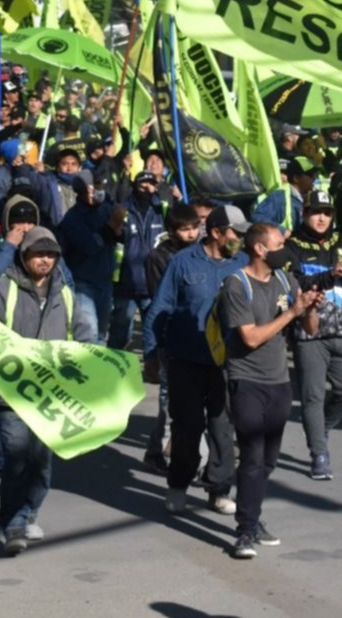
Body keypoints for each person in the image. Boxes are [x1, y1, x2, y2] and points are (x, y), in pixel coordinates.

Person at [0, 226, 94, 553]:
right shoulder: (4, 288)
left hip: (52, 394)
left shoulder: (65, 293)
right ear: (24, 255)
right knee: (16, 454)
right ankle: (13, 523)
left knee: (41, 461)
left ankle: (29, 511)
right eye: (38, 254)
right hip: (12, 389)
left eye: (51, 255)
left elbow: (84, 335)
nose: (45, 260)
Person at [219, 222, 323, 558]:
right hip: (246, 379)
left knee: (268, 460)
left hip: (278, 381)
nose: (285, 249)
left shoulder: (285, 279)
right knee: (251, 455)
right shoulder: (237, 285)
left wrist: (309, 308)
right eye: (279, 243)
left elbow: (310, 327)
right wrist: (292, 312)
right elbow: (249, 338)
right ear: (260, 249)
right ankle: (245, 531)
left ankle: (252, 514)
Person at [147, 205, 249, 516]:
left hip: (226, 362)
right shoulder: (182, 262)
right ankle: (178, 484)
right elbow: (161, 307)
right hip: (185, 358)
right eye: (236, 233)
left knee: (222, 428)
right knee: (187, 426)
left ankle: (219, 488)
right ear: (216, 232)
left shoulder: (243, 263)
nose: (240, 239)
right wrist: (152, 353)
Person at [274, 189, 342, 480]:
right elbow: (293, 282)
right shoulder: (292, 246)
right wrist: (330, 275)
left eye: (326, 213)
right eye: (315, 212)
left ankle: (321, 429)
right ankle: (319, 454)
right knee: (311, 396)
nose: (322, 218)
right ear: (304, 214)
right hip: (308, 333)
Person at [139, 201, 204, 474]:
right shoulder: (159, 258)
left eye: (194, 228)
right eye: (184, 229)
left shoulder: (202, 252)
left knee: (194, 399)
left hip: (198, 335)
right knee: (169, 397)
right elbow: (161, 299)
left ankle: (155, 451)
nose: (191, 234)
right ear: (172, 230)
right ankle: (168, 454)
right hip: (169, 333)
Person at [58, 170, 127, 345]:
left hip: (105, 280)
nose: (99, 191)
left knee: (102, 333)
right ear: (85, 191)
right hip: (83, 283)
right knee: (89, 333)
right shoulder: (72, 218)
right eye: (96, 187)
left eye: (101, 186)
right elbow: (89, 245)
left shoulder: (107, 209)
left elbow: (124, 237)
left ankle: (99, 371)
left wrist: (120, 228)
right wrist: (111, 227)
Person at [115, 171, 165, 351]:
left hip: (154, 283)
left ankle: (153, 369)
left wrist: (180, 198)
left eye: (151, 184)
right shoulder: (122, 209)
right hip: (126, 282)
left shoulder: (162, 209)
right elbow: (113, 235)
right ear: (135, 186)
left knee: (153, 333)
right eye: (142, 185)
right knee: (120, 334)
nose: (146, 188)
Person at [252, 156, 317, 235]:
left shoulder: (312, 196)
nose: (314, 178)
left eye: (315, 175)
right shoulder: (279, 197)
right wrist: (282, 231)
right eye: (310, 175)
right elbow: (257, 217)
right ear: (296, 178)